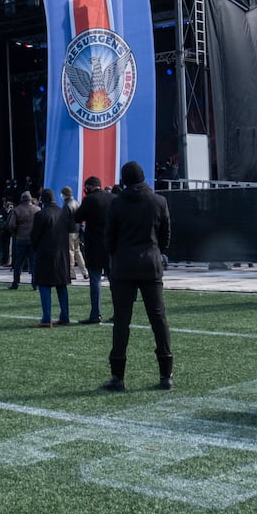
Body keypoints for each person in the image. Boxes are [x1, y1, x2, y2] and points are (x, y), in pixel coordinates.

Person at [102, 161, 173, 392]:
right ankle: (166, 375)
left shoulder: (117, 204)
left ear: (123, 181)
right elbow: (165, 235)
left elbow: (109, 238)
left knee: (121, 322)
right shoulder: (158, 201)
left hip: (123, 266)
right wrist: (157, 251)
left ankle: (118, 376)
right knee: (158, 320)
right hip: (150, 265)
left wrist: (116, 256)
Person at [30, 188, 72, 327]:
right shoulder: (63, 213)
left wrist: (35, 248)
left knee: (44, 285)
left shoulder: (41, 215)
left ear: (43, 199)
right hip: (62, 254)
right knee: (61, 286)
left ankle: (46, 318)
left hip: (46, 254)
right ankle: (65, 316)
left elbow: (34, 236)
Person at [77, 176, 112, 324]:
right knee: (115, 283)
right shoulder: (113, 198)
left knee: (95, 281)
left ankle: (95, 314)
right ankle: (120, 313)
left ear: (90, 186)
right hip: (111, 246)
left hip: (94, 246)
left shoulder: (90, 200)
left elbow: (77, 217)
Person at [6, 191, 38, 290]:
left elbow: (11, 225)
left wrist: (15, 233)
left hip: (21, 238)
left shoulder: (17, 210)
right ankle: (35, 284)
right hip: (33, 239)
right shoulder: (37, 210)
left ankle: (15, 283)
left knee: (18, 262)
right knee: (34, 262)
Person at [61, 186, 87, 281]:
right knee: (78, 251)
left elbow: (64, 220)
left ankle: (71, 273)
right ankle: (85, 272)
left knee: (70, 252)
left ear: (64, 194)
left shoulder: (67, 205)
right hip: (76, 230)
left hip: (69, 231)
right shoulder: (76, 203)